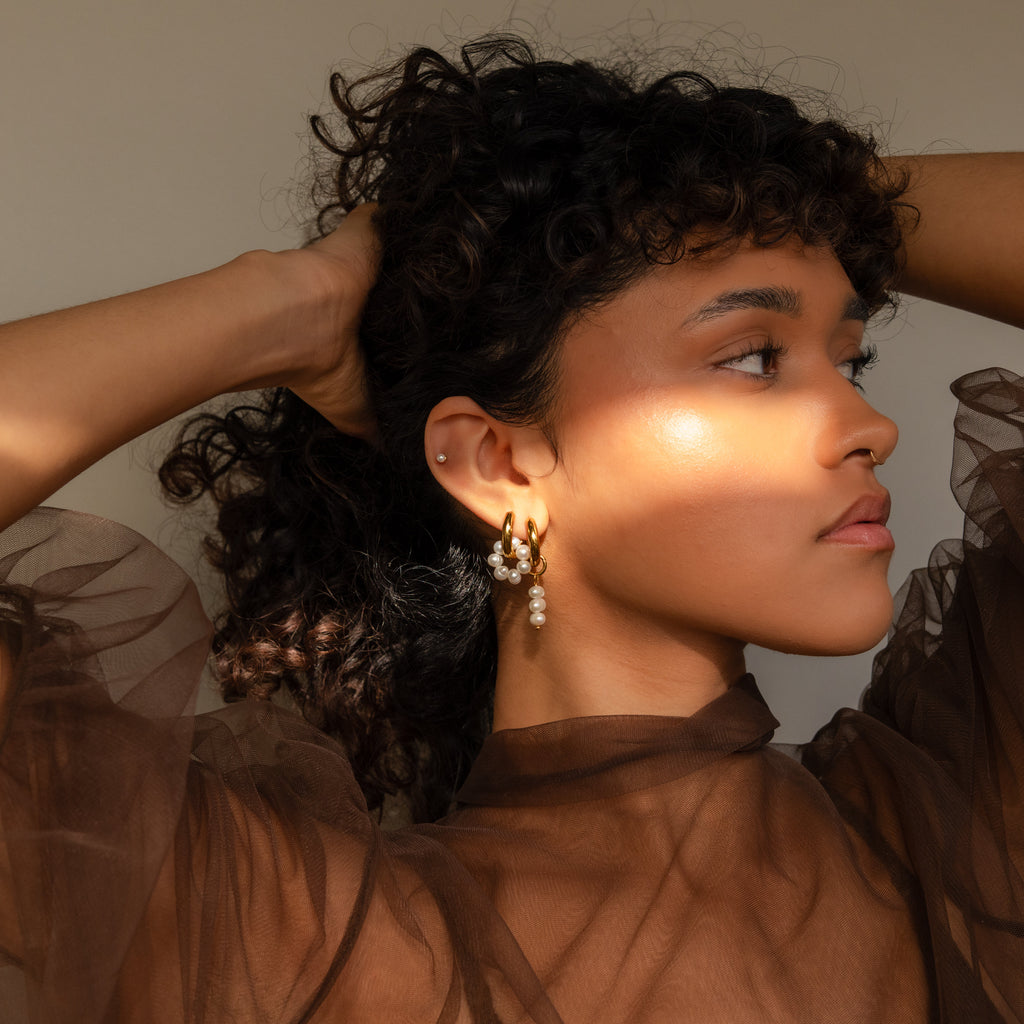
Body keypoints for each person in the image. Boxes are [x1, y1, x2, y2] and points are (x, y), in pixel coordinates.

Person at [1, 34, 1023, 1022]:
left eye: (851, 361)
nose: (871, 426)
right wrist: (289, 302)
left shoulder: (951, 825)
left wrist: (808, 185)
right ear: (500, 461)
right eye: (754, 356)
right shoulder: (286, 930)